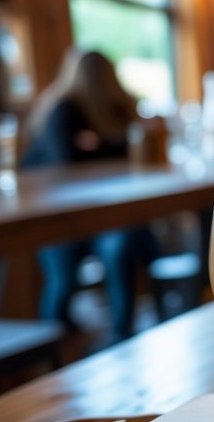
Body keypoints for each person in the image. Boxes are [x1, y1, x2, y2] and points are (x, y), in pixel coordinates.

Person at [22, 49, 157, 342]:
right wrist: (107, 145)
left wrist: (97, 146)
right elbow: (65, 160)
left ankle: (122, 334)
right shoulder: (62, 109)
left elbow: (130, 151)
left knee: (122, 243)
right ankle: (54, 347)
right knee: (64, 279)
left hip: (102, 213)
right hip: (54, 215)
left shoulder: (117, 108)